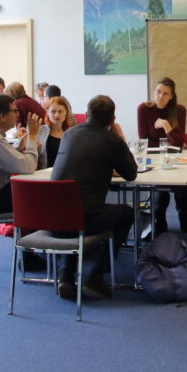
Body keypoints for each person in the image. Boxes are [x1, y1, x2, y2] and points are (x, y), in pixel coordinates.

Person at [51, 95, 137, 301]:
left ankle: (65, 275)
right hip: (84, 220)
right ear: (113, 119)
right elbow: (131, 173)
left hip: (52, 218)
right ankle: (96, 276)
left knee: (73, 209)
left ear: (86, 114)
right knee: (127, 213)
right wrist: (120, 139)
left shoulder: (69, 134)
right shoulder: (112, 141)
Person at [137, 77, 187, 234]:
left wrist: (166, 125)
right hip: (154, 159)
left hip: (175, 158)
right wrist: (168, 143)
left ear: (172, 96)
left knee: (183, 188)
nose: (160, 96)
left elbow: (178, 143)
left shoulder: (179, 110)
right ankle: (160, 217)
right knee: (160, 191)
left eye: (165, 94)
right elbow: (144, 141)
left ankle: (182, 212)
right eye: (158, 92)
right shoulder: (144, 109)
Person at [37, 95, 74, 168]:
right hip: (45, 171)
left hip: (66, 171)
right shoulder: (40, 131)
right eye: (53, 111)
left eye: (60, 111)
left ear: (66, 112)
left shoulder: (71, 133)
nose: (57, 115)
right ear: (47, 112)